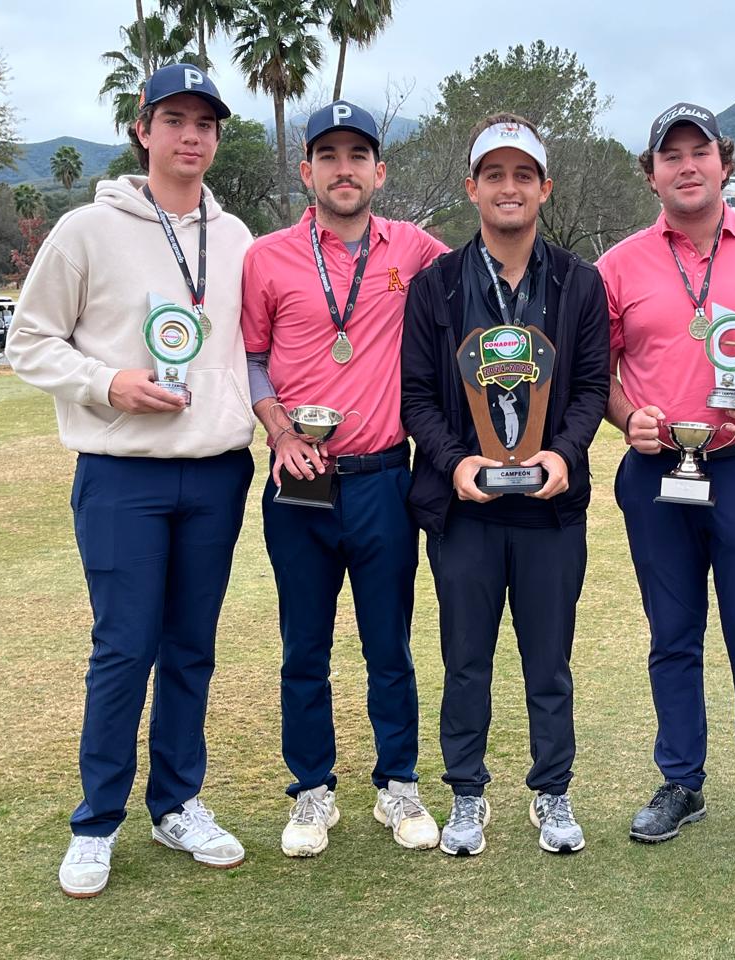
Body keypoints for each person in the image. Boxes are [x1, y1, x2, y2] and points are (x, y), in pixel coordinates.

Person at [6, 64, 255, 898]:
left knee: (191, 650)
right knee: (123, 649)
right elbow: (30, 340)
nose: (192, 136)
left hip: (218, 471)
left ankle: (177, 803)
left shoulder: (240, 236)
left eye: (206, 124)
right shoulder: (86, 228)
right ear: (143, 129)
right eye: (175, 120)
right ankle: (96, 821)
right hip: (122, 474)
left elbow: (251, 351)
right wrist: (107, 384)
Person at [597, 103, 735, 860]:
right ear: (652, 171)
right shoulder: (619, 263)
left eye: (700, 151)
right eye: (671, 155)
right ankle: (681, 781)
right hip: (658, 474)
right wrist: (627, 417)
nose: (687, 165)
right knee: (673, 634)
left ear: (723, 162)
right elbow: (599, 374)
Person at [240, 100, 448, 856]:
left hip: (384, 479)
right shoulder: (266, 257)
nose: (344, 169)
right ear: (307, 171)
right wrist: (280, 430)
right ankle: (312, 791)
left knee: (388, 643)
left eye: (358, 155)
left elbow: (480, 284)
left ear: (380, 171)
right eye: (328, 156)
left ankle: (398, 786)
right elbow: (254, 356)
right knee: (304, 646)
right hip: (300, 482)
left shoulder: (417, 249)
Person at [400, 114, 609, 856]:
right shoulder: (436, 286)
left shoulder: (582, 283)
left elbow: (590, 387)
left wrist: (565, 454)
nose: (510, 187)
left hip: (551, 510)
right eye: (495, 174)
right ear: (472, 188)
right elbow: (417, 397)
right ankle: (465, 792)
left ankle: (552, 793)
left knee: (548, 659)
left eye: (524, 174)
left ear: (545, 187)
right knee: (466, 659)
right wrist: (456, 462)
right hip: (468, 511)